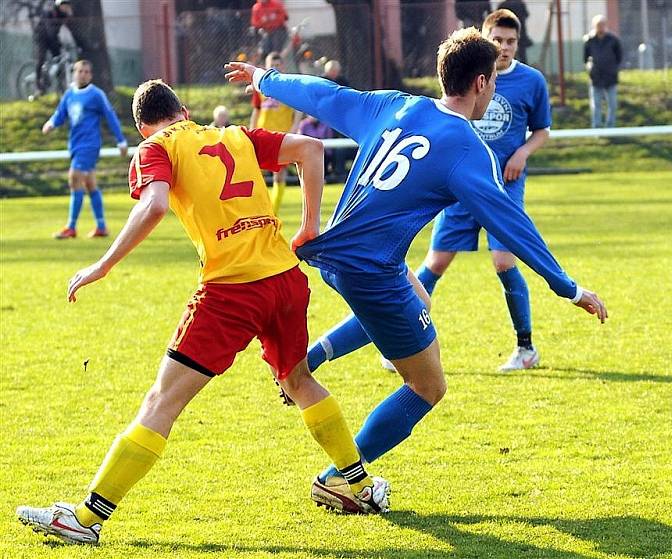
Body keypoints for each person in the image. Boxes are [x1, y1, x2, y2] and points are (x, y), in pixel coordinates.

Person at [225, 27, 607, 511]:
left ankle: (313, 357)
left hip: (336, 255)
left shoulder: (396, 105)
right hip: (370, 270)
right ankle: (340, 478)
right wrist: (568, 288)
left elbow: (326, 95)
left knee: (418, 298)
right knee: (428, 385)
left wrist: (264, 77)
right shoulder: (467, 149)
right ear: (484, 83)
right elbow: (513, 225)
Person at [16, 79, 390, 545]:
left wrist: (103, 264)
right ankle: (359, 486)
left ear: (142, 129)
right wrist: (309, 226)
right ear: (184, 110)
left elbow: (153, 206)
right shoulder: (233, 134)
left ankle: (86, 519)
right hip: (286, 282)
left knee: (161, 401)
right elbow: (311, 150)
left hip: (232, 293)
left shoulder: (154, 148)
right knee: (299, 381)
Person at [309, 8, 554, 372]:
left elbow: (542, 130)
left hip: (502, 186)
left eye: (510, 41)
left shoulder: (531, 82)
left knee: (504, 260)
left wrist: (521, 152)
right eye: (497, 40)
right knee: (434, 264)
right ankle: (398, 338)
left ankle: (525, 346)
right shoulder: (459, 87)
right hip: (453, 189)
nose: (504, 47)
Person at [43, 59, 128, 239]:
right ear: (73, 72)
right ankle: (101, 226)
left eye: (87, 71)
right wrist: (51, 123)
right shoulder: (69, 94)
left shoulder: (96, 94)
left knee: (74, 178)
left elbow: (110, 116)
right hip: (75, 144)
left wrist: (121, 140)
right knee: (90, 184)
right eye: (80, 71)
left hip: (89, 145)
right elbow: (60, 114)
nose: (83, 74)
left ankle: (71, 227)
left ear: (90, 75)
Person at [250, 51, 302, 214]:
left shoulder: (288, 86)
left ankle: (273, 211)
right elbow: (257, 110)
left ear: (283, 67)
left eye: (278, 65)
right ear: (266, 66)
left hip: (281, 135)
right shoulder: (259, 87)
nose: (274, 67)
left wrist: (294, 128)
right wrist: (251, 130)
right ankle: (258, 209)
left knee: (279, 175)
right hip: (262, 134)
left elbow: (298, 109)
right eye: (272, 65)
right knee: (255, 172)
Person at [583, 14, 622, 129]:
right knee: (596, 105)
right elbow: (585, 58)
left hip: (610, 76)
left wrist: (613, 68)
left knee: (613, 105)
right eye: (598, 25)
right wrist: (591, 69)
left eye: (602, 24)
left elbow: (619, 56)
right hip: (596, 77)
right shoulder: (589, 40)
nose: (600, 27)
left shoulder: (613, 40)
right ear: (594, 26)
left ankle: (610, 127)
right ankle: (597, 127)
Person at [32, 0, 73, 98]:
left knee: (59, 60)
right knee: (41, 59)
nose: (66, 7)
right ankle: (38, 86)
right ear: (58, 5)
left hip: (53, 38)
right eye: (64, 5)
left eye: (67, 6)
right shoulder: (50, 12)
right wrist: (57, 43)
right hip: (41, 37)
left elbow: (72, 28)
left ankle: (60, 88)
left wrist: (76, 43)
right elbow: (49, 30)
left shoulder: (64, 15)